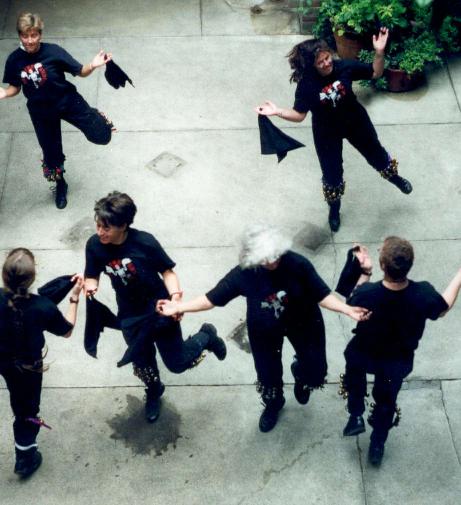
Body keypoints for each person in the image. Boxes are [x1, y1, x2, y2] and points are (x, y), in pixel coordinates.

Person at [157, 224, 369, 433]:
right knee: (268, 376)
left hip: (303, 322)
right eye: (264, 257)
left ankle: (300, 374)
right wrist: (179, 306)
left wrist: (346, 309)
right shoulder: (244, 273)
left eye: (274, 254)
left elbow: (322, 295)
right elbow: (211, 299)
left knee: (316, 371)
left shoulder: (297, 264)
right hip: (264, 330)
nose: (271, 260)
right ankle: (273, 405)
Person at [84, 192, 227, 423]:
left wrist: (176, 299)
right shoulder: (94, 246)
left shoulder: (145, 243)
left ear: (124, 225)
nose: (100, 231)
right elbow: (91, 275)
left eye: (106, 228)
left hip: (160, 311)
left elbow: (168, 272)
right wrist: (90, 288)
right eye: (98, 225)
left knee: (178, 363)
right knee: (142, 362)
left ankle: (206, 336)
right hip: (130, 316)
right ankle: (154, 391)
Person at [255, 28, 413, 232]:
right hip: (326, 132)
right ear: (312, 65)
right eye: (320, 62)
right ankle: (334, 209)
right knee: (332, 174)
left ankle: (395, 178)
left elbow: (375, 72)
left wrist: (379, 52)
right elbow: (299, 114)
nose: (326, 63)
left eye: (327, 58)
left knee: (376, 154)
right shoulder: (307, 85)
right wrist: (277, 111)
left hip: (356, 122)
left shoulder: (344, 67)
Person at [339, 237, 461, 466]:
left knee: (354, 375)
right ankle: (377, 444)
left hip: (364, 353)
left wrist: (364, 272)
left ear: (383, 266)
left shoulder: (368, 293)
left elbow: (352, 300)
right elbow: (444, 307)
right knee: (386, 400)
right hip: (395, 361)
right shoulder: (422, 294)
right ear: (410, 265)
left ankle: (355, 413)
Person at [0, 12, 115, 209]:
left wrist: (93, 66)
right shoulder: (14, 60)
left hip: (67, 101)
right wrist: (4, 93)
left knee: (102, 136)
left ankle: (95, 115)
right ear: (20, 35)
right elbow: (15, 88)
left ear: (40, 35)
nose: (30, 41)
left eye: (34, 35)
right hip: (41, 112)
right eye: (25, 36)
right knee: (51, 155)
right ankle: (61, 184)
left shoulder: (53, 52)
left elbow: (80, 71)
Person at [0, 248, 83, 478]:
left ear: (3, 275)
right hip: (27, 369)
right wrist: (74, 296)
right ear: (32, 277)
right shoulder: (42, 308)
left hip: (3, 359)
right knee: (26, 411)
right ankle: (25, 459)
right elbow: (66, 330)